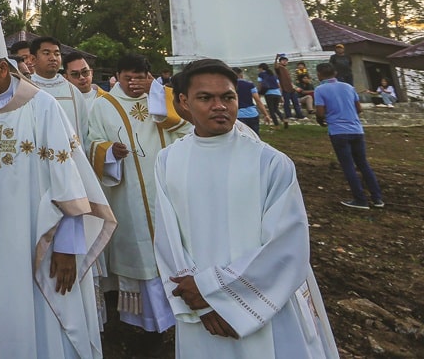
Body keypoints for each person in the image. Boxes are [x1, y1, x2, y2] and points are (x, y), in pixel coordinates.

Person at [0, 0, 114, 359]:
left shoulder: (42, 108)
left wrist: (67, 247)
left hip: (36, 245)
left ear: (3, 67)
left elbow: (69, 182)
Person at [155, 59, 339, 358]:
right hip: (196, 305)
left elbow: (287, 244)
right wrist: (194, 297)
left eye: (227, 97)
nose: (220, 106)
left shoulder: (270, 163)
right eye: (205, 98)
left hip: (263, 303)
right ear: (183, 103)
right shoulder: (168, 160)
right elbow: (167, 238)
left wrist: (218, 293)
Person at [86, 54, 190, 341]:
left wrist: (164, 108)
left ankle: (181, 310)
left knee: (174, 244)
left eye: (140, 76)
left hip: (167, 186)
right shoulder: (103, 105)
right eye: (127, 77)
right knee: (141, 251)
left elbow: (188, 127)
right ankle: (144, 321)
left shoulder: (164, 98)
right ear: (117, 76)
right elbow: (91, 142)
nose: (134, 83)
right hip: (128, 191)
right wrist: (108, 152)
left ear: (149, 75)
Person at [314, 62, 384, 211]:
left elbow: (320, 112)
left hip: (338, 131)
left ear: (319, 75)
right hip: (356, 130)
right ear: (336, 74)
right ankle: (377, 198)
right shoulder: (348, 87)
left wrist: (321, 120)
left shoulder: (320, 89)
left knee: (348, 166)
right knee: (363, 164)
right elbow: (358, 108)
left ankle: (360, 200)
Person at [28, 35, 93, 144]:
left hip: (70, 156)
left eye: (57, 54)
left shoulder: (74, 92)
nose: (53, 58)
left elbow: (85, 132)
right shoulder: (25, 89)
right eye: (46, 53)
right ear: (33, 59)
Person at [234, 68, 272, 135]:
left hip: (238, 116)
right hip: (252, 114)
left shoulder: (230, 86)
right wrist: (266, 114)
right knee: (255, 137)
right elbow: (258, 101)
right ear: (241, 75)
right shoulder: (249, 85)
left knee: (242, 138)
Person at [275, 55, 305, 120]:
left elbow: (289, 81)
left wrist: (295, 87)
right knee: (287, 103)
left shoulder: (286, 69)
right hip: (285, 89)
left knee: (296, 102)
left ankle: (299, 114)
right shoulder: (279, 68)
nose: (285, 62)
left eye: (286, 61)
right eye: (284, 61)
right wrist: (276, 58)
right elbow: (276, 66)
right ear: (280, 62)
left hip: (292, 89)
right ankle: (288, 115)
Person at [256, 63, 285, 128]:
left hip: (269, 93)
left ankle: (276, 125)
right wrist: (281, 95)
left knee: (271, 110)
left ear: (261, 68)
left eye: (259, 68)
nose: (258, 70)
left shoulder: (261, 74)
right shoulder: (274, 75)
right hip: (277, 93)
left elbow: (260, 84)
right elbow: (279, 85)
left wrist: (259, 93)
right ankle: (284, 119)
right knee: (276, 108)